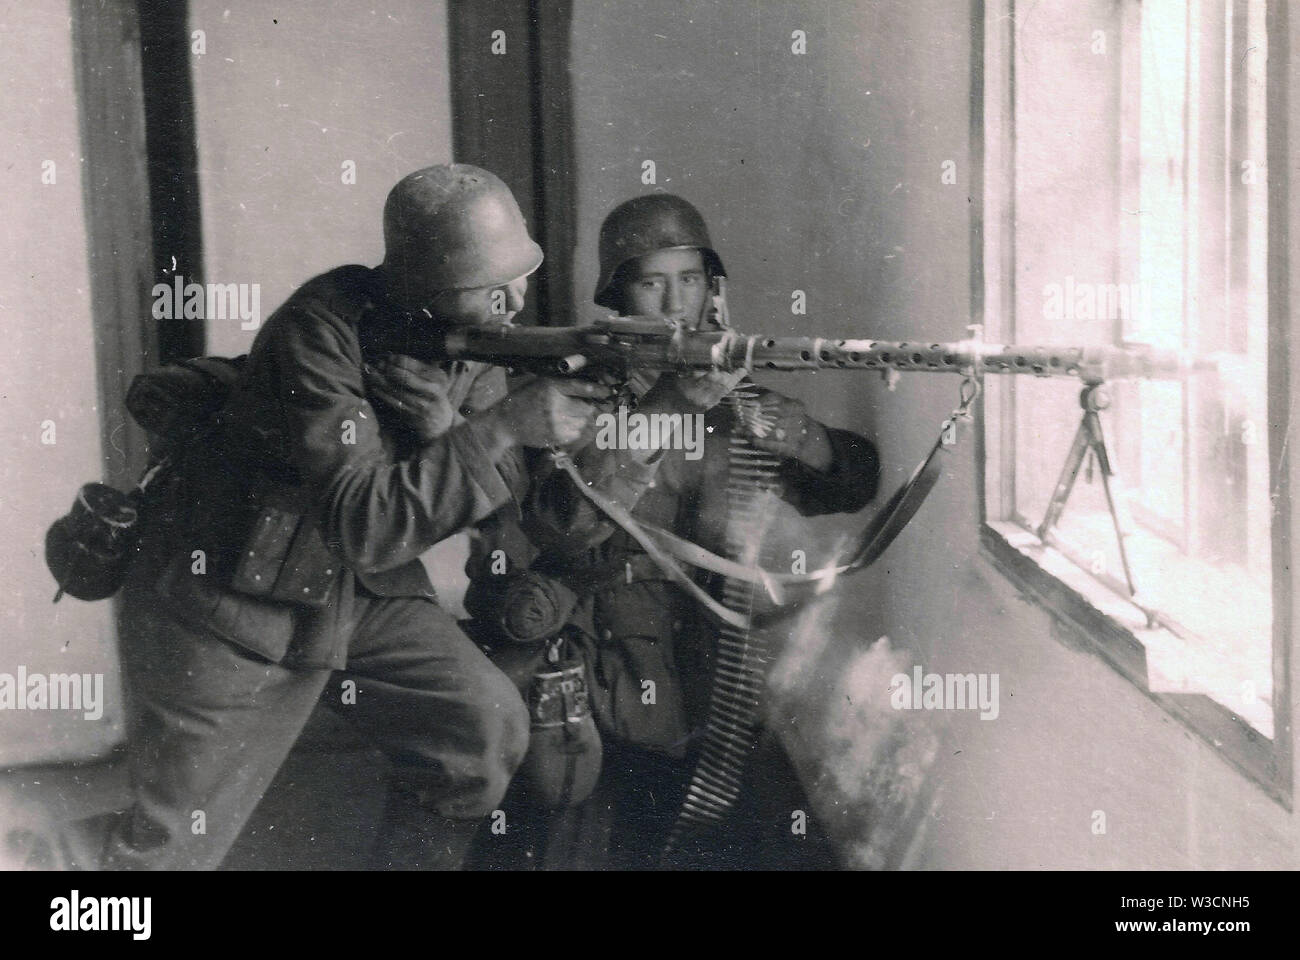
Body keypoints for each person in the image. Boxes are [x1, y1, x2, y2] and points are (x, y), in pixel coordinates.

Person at [9, 163, 608, 871]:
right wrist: (498, 427)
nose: (515, 299)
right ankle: (34, 864)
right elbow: (361, 519)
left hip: (351, 592)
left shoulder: (465, 336)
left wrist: (464, 426)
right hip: (230, 591)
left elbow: (500, 495)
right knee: (166, 853)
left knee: (478, 731)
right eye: (490, 285)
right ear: (424, 284)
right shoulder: (320, 331)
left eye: (522, 275)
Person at [469, 193, 882, 870]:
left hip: (712, 668)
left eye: (689, 280)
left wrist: (785, 428)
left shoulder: (729, 396)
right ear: (619, 296)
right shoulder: (571, 393)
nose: (673, 303)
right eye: (652, 282)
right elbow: (559, 523)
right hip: (603, 666)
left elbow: (853, 482)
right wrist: (665, 408)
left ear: (712, 292)